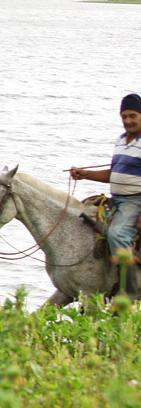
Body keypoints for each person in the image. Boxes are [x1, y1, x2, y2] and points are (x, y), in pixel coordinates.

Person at [71, 93, 141, 298]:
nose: (128, 121)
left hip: (135, 200)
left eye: (133, 116)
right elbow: (114, 174)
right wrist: (85, 175)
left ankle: (128, 293)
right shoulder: (120, 140)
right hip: (115, 198)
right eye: (124, 116)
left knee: (117, 234)